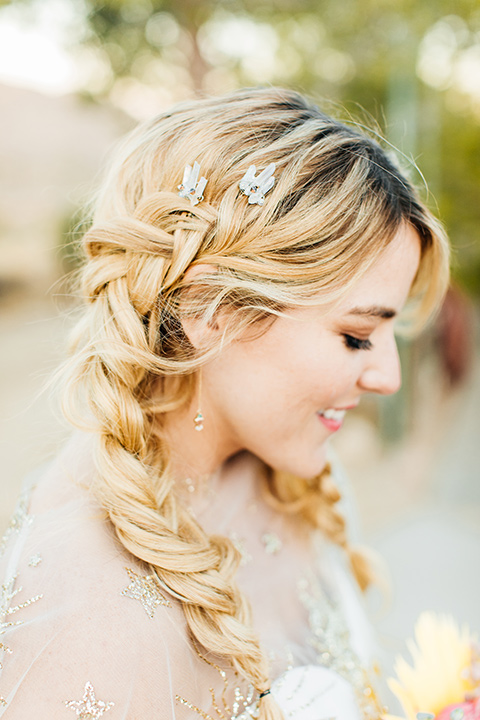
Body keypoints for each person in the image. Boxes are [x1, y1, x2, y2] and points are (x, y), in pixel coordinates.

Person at [0, 87, 449, 719]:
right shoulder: (89, 606)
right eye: (355, 335)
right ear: (214, 309)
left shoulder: (296, 478)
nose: (388, 377)